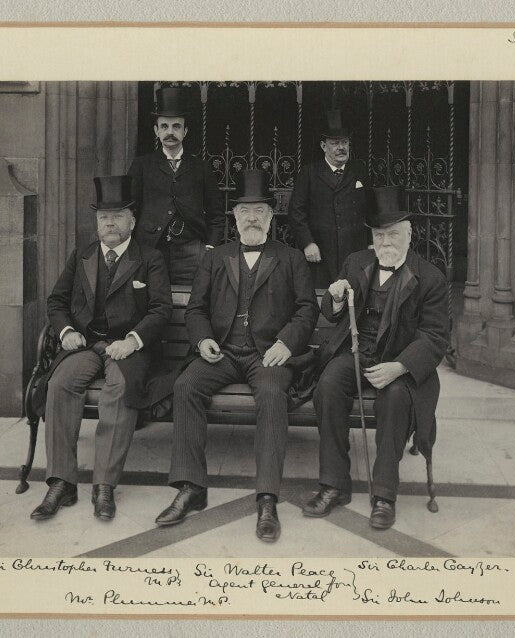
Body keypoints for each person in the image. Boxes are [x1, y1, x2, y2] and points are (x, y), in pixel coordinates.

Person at [155, 169, 318, 542]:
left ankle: (267, 497)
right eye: (244, 212)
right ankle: (191, 487)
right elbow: (195, 309)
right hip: (224, 352)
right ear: (234, 218)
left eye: (260, 211)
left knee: (273, 395)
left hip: (268, 356)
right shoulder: (217, 257)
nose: (252, 219)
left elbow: (307, 309)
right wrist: (202, 341)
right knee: (186, 386)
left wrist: (286, 344)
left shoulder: (290, 258)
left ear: (271, 217)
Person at [302, 186, 449, 530]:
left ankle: (384, 495)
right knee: (327, 387)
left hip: (400, 361)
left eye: (394, 234)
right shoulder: (357, 262)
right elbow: (331, 310)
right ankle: (334, 484)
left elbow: (435, 336)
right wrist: (336, 299)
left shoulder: (430, 277)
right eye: (379, 234)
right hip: (355, 352)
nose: (386, 242)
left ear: (409, 234)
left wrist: (399, 367)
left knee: (396, 400)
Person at [30, 175, 172, 522]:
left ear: (132, 221)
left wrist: (133, 340)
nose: (110, 223)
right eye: (103, 218)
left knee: (119, 389)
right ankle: (62, 482)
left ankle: (103, 486)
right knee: (60, 384)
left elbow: (161, 309)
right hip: (85, 345)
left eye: (118, 216)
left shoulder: (150, 258)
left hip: (128, 348)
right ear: (96, 223)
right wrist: (64, 331)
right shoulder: (83, 254)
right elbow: (57, 301)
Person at [128, 86, 225, 285]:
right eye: (164, 126)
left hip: (192, 253)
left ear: (185, 131)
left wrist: (210, 247)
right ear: (156, 130)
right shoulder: (142, 165)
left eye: (176, 126)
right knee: (153, 303)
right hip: (151, 250)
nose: (170, 132)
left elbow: (216, 214)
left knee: (195, 304)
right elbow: (131, 209)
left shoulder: (201, 167)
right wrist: (136, 247)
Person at [288, 109, 368, 288]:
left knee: (355, 295)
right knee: (323, 299)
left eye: (345, 142)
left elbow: (370, 209)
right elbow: (296, 211)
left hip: (354, 250)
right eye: (335, 143)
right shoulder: (309, 173)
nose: (342, 147)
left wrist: (371, 243)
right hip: (321, 252)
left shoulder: (359, 170)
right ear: (324, 146)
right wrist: (308, 243)